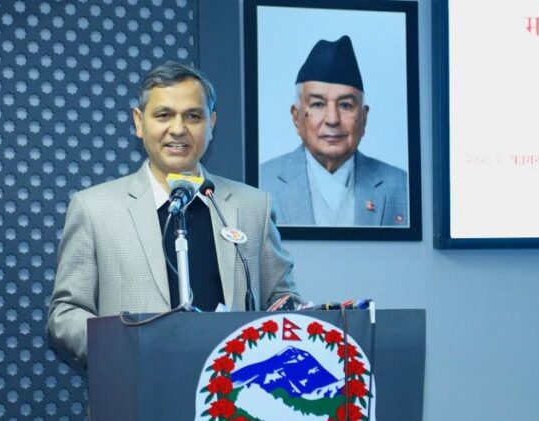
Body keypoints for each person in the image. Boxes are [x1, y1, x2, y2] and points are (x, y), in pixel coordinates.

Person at [47, 61, 300, 364]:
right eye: (164, 115)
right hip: (136, 385)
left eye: (193, 116)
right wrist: (125, 350)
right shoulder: (94, 209)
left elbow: (282, 298)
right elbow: (65, 315)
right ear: (139, 122)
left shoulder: (253, 206)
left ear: (211, 123)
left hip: (232, 389)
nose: (178, 129)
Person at [260, 35, 408, 227]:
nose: (332, 119)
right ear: (296, 117)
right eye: (318, 104)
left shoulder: (402, 186)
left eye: (345, 105)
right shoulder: (261, 183)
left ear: (364, 118)